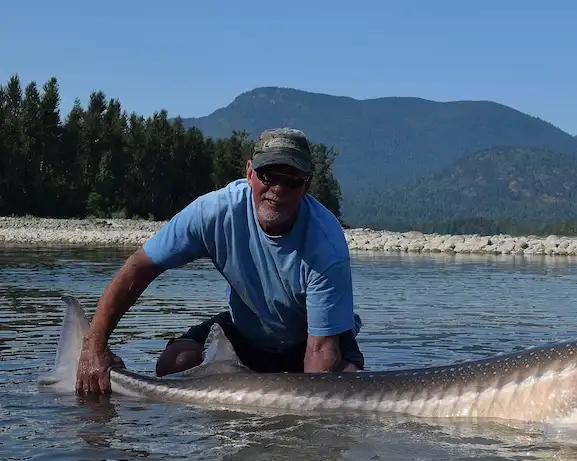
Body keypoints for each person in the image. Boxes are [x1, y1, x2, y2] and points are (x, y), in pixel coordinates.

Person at [75, 127, 364, 397]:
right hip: (247, 329)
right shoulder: (214, 212)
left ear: (307, 185)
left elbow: (321, 348)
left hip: (310, 338)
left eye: (291, 180)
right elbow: (140, 267)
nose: (278, 189)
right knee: (174, 364)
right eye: (268, 175)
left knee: (342, 393)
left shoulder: (325, 244)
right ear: (249, 172)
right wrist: (94, 344)